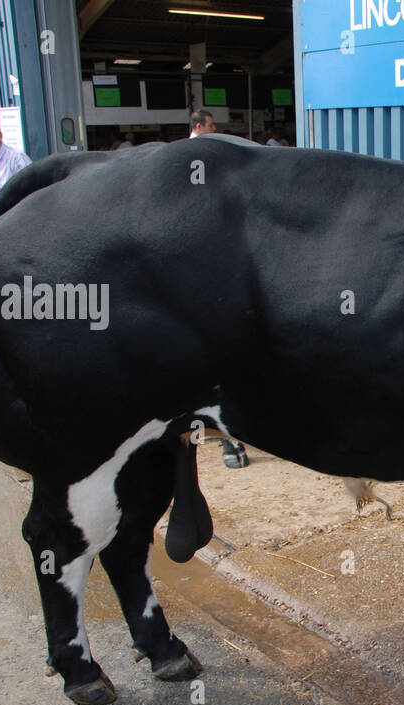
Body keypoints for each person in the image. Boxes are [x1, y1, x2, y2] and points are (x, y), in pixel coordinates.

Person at [187, 107, 247, 468]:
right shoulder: (191, 159)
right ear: (199, 126)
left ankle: (229, 437)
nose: (214, 129)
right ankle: (223, 438)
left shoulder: (221, 153)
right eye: (210, 125)